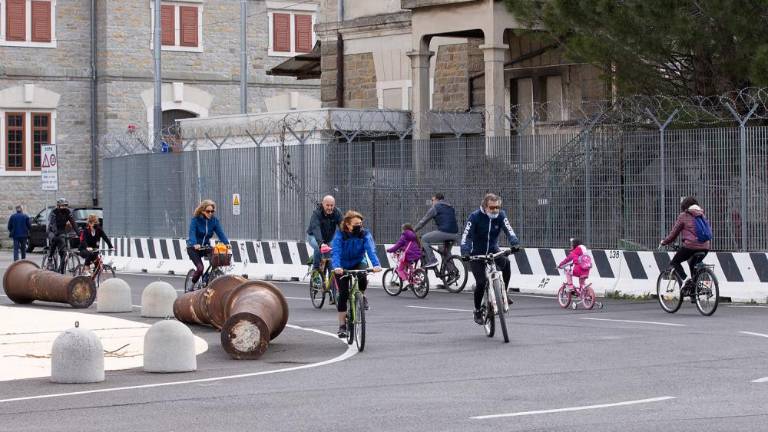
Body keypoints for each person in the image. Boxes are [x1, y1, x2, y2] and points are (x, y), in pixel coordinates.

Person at [460, 193, 519, 325]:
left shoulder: (501, 215)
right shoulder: (474, 217)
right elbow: (466, 236)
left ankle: (504, 293)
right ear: (485, 206)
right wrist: (465, 252)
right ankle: (477, 310)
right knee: (481, 283)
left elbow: (509, 230)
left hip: (493, 250)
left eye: (497, 207)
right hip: (476, 253)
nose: (495, 210)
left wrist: (514, 243)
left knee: (506, 264)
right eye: (492, 208)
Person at [331, 210, 382, 338]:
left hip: (358, 261)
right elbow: (336, 252)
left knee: (363, 277)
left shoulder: (365, 234)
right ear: (347, 224)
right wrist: (337, 267)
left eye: (360, 223)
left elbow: (371, 250)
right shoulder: (340, 235)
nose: (359, 226)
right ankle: (342, 326)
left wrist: (376, 264)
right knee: (343, 294)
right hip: (342, 265)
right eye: (356, 224)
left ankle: (362, 295)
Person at [660, 196, 711, 298]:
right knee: (693, 264)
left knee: (674, 262)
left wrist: (664, 242)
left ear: (685, 206)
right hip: (705, 247)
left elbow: (674, 233)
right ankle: (694, 293)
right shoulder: (702, 215)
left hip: (690, 247)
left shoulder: (683, 215)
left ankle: (686, 280)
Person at [187, 199, 230, 286]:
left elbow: (220, 233)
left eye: (212, 211)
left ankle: (208, 279)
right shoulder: (195, 220)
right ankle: (192, 285)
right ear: (202, 211)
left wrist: (226, 243)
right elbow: (192, 233)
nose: (210, 213)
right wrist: (194, 243)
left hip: (205, 247)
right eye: (208, 211)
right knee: (200, 268)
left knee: (216, 261)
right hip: (193, 248)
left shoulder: (214, 221)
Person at [414, 193, 459, 268]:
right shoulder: (450, 207)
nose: (432, 202)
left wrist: (413, 230)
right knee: (443, 250)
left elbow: (423, 222)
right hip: (455, 234)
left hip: (444, 232)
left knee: (424, 239)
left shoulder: (435, 207)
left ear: (437, 199)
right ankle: (452, 271)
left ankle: (432, 260)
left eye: (432, 200)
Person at [306, 195, 342, 271]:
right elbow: (316, 229)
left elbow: (343, 226)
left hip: (328, 239)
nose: (329, 208)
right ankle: (315, 270)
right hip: (314, 237)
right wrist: (321, 244)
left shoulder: (337, 213)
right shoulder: (317, 213)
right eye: (327, 205)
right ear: (323, 204)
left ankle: (331, 274)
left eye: (331, 205)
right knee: (318, 248)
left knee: (331, 255)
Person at [47, 198, 80, 273]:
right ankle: (50, 258)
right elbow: (53, 223)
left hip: (62, 230)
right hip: (52, 230)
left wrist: (79, 234)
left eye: (65, 205)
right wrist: (56, 232)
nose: (64, 207)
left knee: (63, 251)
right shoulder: (54, 212)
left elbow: (73, 222)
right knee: (55, 239)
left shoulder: (67, 211)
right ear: (58, 206)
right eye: (62, 205)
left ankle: (61, 269)